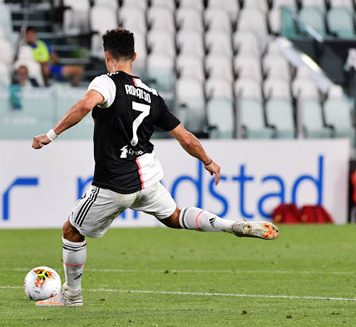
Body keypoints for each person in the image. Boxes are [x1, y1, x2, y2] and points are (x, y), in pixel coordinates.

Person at [31, 28, 279, 307]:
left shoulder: (106, 82)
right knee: (173, 216)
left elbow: (84, 105)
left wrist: (50, 135)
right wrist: (208, 162)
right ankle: (229, 224)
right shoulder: (151, 95)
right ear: (134, 56)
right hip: (147, 178)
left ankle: (71, 296)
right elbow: (186, 137)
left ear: (107, 56)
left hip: (114, 182)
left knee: (71, 231)